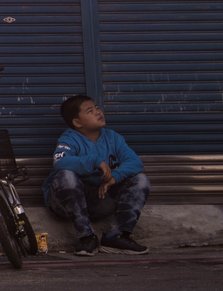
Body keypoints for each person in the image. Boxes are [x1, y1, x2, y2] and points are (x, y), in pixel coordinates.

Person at [43, 95, 151, 256]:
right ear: (77, 123)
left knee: (141, 180)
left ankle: (116, 235)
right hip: (66, 205)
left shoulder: (113, 137)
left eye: (97, 108)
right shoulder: (69, 139)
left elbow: (135, 162)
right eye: (90, 111)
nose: (98, 112)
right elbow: (60, 161)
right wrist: (95, 161)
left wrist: (114, 177)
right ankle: (86, 236)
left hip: (101, 199)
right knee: (65, 176)